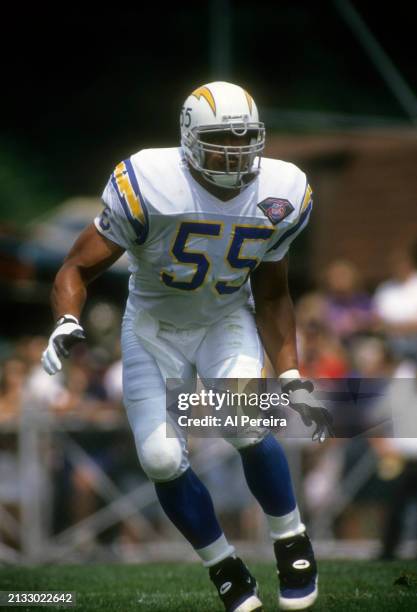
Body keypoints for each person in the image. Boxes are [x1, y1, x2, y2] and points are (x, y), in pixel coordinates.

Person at [41, 81, 333, 611]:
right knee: (157, 457)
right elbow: (76, 267)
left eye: (245, 139)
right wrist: (65, 319)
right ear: (190, 138)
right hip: (152, 325)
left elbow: (272, 293)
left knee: (245, 421)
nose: (235, 151)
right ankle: (223, 566)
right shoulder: (150, 181)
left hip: (224, 319)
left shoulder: (283, 189)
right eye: (221, 138)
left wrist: (290, 372)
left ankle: (291, 538)